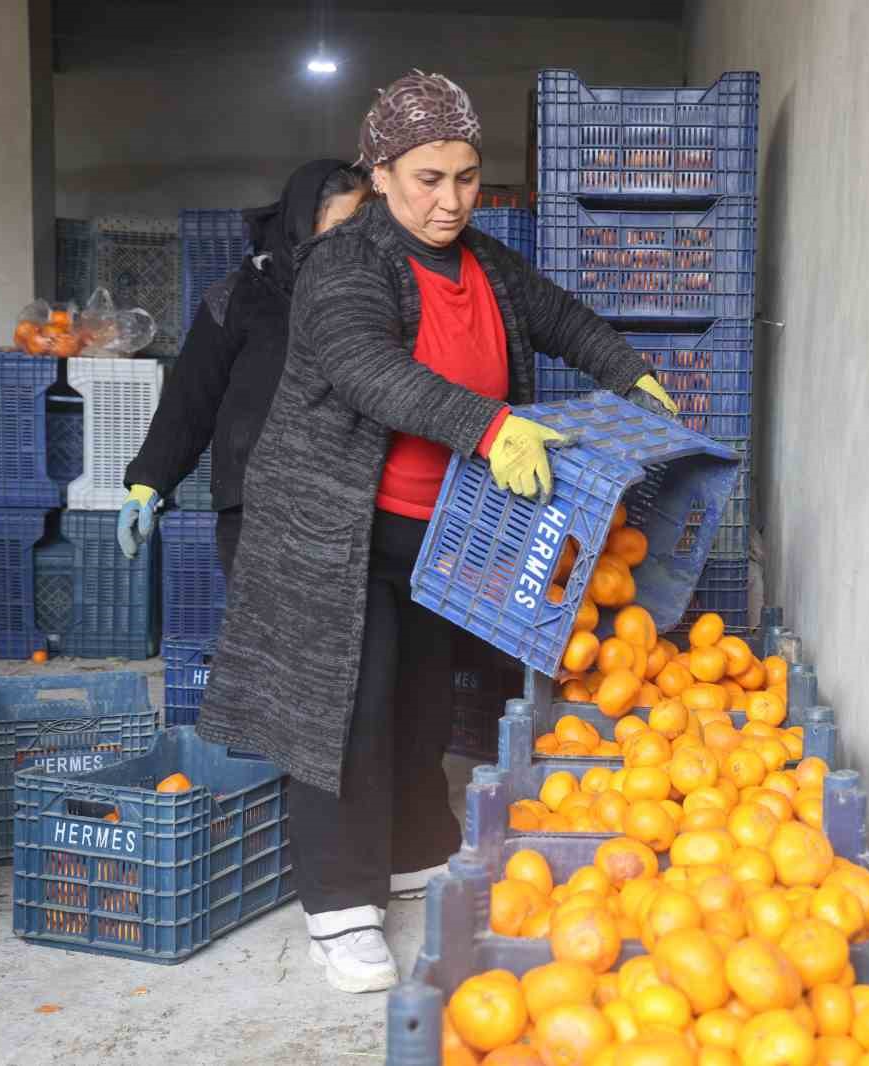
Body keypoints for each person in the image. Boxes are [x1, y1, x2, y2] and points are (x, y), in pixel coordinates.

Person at [195, 71, 680, 994]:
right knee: (343, 707)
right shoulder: (346, 265)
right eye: (427, 178)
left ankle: (416, 848)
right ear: (380, 174)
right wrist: (491, 427)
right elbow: (365, 366)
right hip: (333, 526)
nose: (451, 199)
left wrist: (631, 373)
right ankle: (339, 908)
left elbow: (561, 317)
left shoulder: (487, 261)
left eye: (465, 177)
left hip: (444, 526)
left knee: (423, 695)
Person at [116, 159, 370, 573]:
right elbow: (191, 400)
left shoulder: (370, 298)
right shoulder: (238, 299)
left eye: (362, 227)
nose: (351, 242)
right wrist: (147, 485)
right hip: (255, 513)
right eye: (339, 227)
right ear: (302, 225)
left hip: (347, 512)